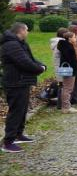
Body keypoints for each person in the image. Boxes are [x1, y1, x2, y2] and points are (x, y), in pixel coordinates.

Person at [1, 23, 47, 153]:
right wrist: (39, 69)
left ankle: (18, 134)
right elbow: (24, 62)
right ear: (20, 30)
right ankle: (8, 142)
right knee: (16, 111)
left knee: (22, 110)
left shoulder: (20, 43)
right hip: (15, 82)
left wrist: (42, 65)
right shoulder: (11, 45)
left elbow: (30, 59)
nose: (28, 32)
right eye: (27, 30)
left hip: (22, 82)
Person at [56, 30, 77, 114]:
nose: (75, 38)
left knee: (66, 87)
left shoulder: (64, 45)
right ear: (69, 38)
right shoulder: (69, 48)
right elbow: (72, 60)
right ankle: (66, 107)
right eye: (74, 37)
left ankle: (66, 106)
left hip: (67, 69)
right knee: (68, 88)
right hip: (70, 70)